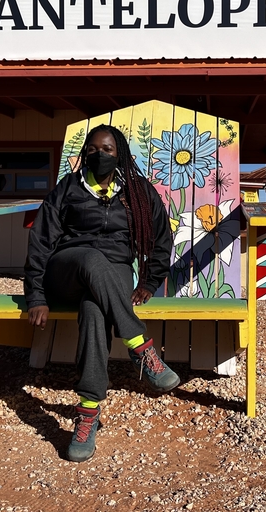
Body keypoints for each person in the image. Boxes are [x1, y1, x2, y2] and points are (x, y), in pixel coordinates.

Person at [24, 124, 177, 462]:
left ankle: (88, 414)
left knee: (95, 310)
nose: (99, 155)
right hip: (68, 266)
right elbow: (41, 240)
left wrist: (150, 281)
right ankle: (140, 346)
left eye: (107, 150)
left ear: (118, 153)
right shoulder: (69, 188)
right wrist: (36, 294)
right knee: (92, 257)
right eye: (92, 149)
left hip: (115, 271)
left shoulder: (137, 192)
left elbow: (162, 238)